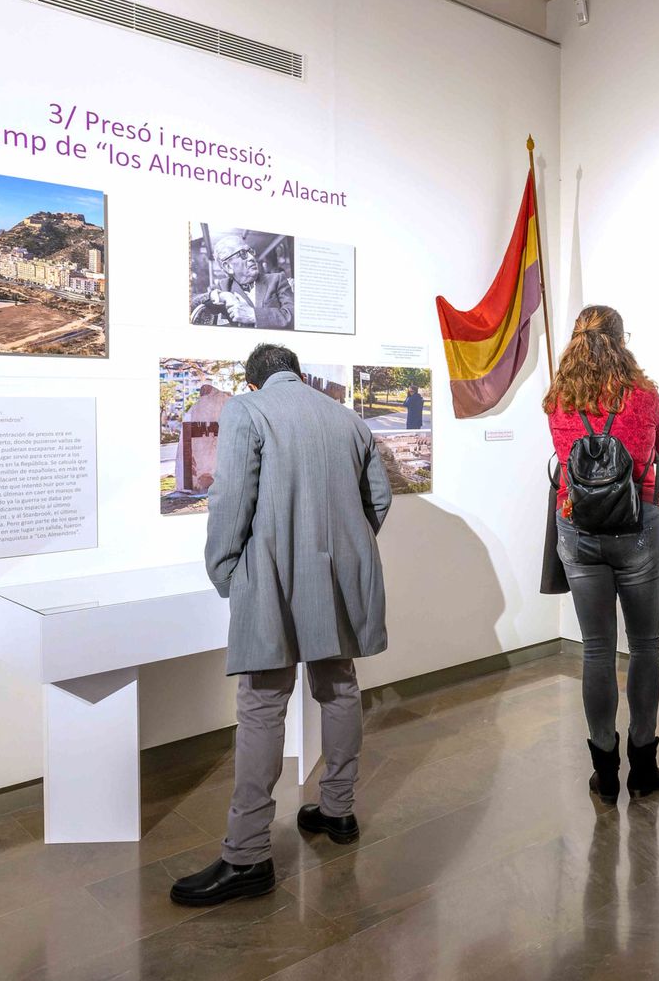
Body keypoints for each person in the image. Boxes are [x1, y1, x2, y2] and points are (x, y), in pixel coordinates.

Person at [170, 343, 393, 907]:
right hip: (334, 575)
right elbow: (380, 501)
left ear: (256, 378)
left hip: (271, 572)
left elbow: (229, 501)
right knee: (338, 686)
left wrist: (226, 571)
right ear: (295, 371)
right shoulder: (348, 418)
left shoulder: (248, 410)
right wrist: (344, 546)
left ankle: (246, 856)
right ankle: (338, 811)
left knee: (263, 703)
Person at [546, 305, 659, 804]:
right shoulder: (644, 395)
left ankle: (604, 771)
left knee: (597, 648)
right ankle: (643, 764)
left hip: (577, 526)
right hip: (637, 524)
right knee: (645, 647)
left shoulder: (559, 397)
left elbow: (566, 456)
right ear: (621, 341)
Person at [207, 231, 294, 329]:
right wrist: (222, 295)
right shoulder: (223, 286)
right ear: (228, 267)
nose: (252, 257)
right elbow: (192, 301)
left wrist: (254, 315)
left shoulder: (277, 279)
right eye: (243, 253)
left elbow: (293, 315)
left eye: (250, 251)